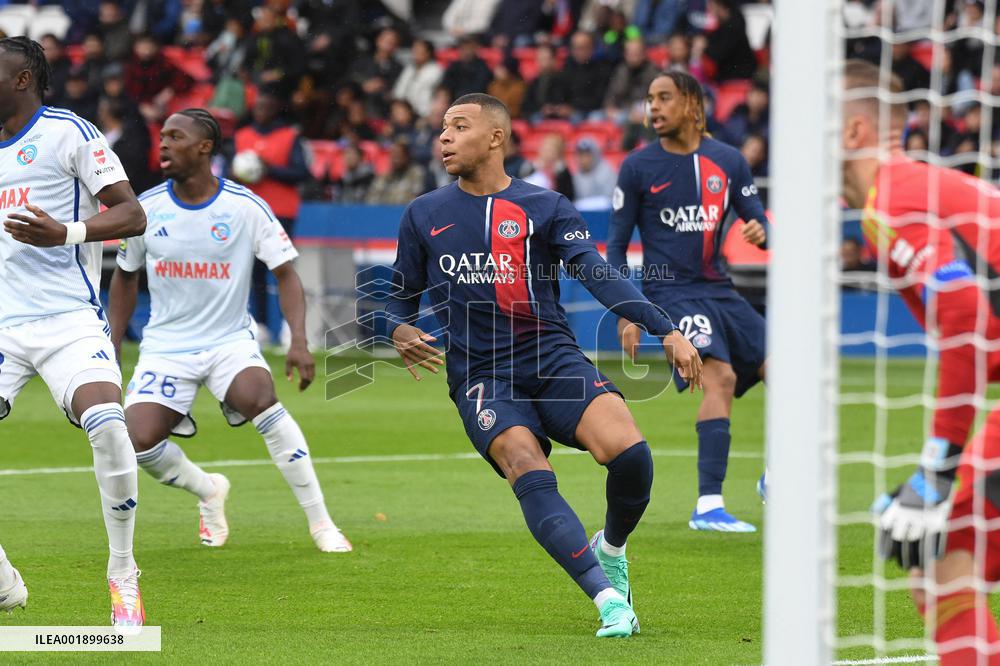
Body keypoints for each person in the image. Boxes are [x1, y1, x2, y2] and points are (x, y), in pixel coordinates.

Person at [385, 92, 703, 638]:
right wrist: (396, 327)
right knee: (525, 463)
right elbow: (392, 298)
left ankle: (613, 548)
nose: (443, 137)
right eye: (442, 128)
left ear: (495, 138)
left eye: (458, 127)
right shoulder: (424, 214)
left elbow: (598, 274)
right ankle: (607, 601)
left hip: (551, 357)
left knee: (631, 456)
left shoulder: (547, 207)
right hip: (482, 375)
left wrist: (663, 327)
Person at [109, 109, 352, 554]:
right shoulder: (146, 210)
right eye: (161, 136)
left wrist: (298, 341)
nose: (162, 144)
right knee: (136, 439)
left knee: (260, 398)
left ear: (204, 148)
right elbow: (125, 276)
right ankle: (208, 490)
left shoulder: (244, 206)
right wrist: (110, 344)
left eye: (174, 137)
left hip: (229, 343)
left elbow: (286, 273)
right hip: (166, 346)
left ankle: (321, 524)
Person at [843, 58, 1000, 666]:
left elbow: (966, 317)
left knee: (936, 559)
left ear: (854, 133)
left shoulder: (894, 199)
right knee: (938, 559)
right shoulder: (924, 190)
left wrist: (936, 468)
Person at [0, 36, 147, 625]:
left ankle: (123, 574)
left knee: (109, 424)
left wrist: (66, 233)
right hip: (3, 325)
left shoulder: (70, 133)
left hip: (66, 320)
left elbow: (132, 214)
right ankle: (4, 584)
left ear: (22, 78)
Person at [608, 70, 769, 533]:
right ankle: (708, 505)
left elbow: (757, 221)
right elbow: (617, 246)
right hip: (669, 292)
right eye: (649, 99)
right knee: (718, 374)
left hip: (721, 289)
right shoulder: (638, 167)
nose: (653, 107)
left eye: (663, 97)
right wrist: (627, 312)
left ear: (693, 104)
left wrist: (761, 232)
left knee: (789, 372)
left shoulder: (729, 161)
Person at [365, 139, 426, 205]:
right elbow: (371, 199)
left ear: (406, 156)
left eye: (399, 156)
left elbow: (415, 199)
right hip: (384, 212)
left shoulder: (416, 173)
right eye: (393, 156)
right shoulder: (384, 176)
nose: (395, 160)